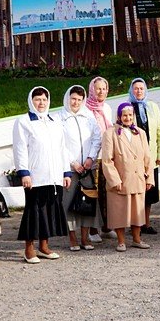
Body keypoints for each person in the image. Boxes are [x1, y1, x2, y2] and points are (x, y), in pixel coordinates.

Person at [13, 86, 70, 263]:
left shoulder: (54, 122)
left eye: (44, 99)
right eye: (38, 99)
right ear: (31, 101)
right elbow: (20, 148)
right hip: (35, 176)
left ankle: (44, 246)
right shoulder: (23, 122)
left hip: (53, 177)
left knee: (50, 211)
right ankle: (29, 248)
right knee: (33, 212)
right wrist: (24, 173)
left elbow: (62, 149)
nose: (41, 103)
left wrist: (65, 172)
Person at [100, 103, 154, 251]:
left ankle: (137, 239)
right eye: (124, 115)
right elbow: (107, 160)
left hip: (137, 179)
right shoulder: (110, 133)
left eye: (130, 115)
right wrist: (114, 180)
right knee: (119, 211)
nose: (128, 118)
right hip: (121, 180)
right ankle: (121, 241)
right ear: (119, 116)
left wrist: (149, 177)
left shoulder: (140, 133)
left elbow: (147, 157)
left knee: (137, 211)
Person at [59, 84, 102, 252]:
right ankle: (72, 238)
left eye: (79, 99)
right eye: (73, 99)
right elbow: (60, 144)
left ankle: (85, 238)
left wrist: (91, 158)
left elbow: (97, 138)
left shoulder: (89, 116)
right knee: (69, 202)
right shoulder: (60, 118)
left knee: (88, 202)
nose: (76, 102)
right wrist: (73, 162)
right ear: (67, 98)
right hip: (71, 169)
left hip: (87, 168)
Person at [128, 78, 160, 234]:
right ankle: (134, 224)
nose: (139, 91)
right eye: (136, 88)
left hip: (151, 157)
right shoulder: (127, 107)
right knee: (136, 192)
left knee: (149, 193)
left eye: (141, 89)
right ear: (131, 90)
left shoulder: (153, 107)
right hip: (134, 159)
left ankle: (146, 223)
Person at [86, 76, 113, 242]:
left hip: (106, 156)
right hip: (92, 157)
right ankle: (92, 229)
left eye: (104, 88)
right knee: (92, 193)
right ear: (92, 90)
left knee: (106, 193)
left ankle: (105, 226)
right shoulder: (86, 110)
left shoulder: (107, 108)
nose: (101, 91)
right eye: (98, 89)